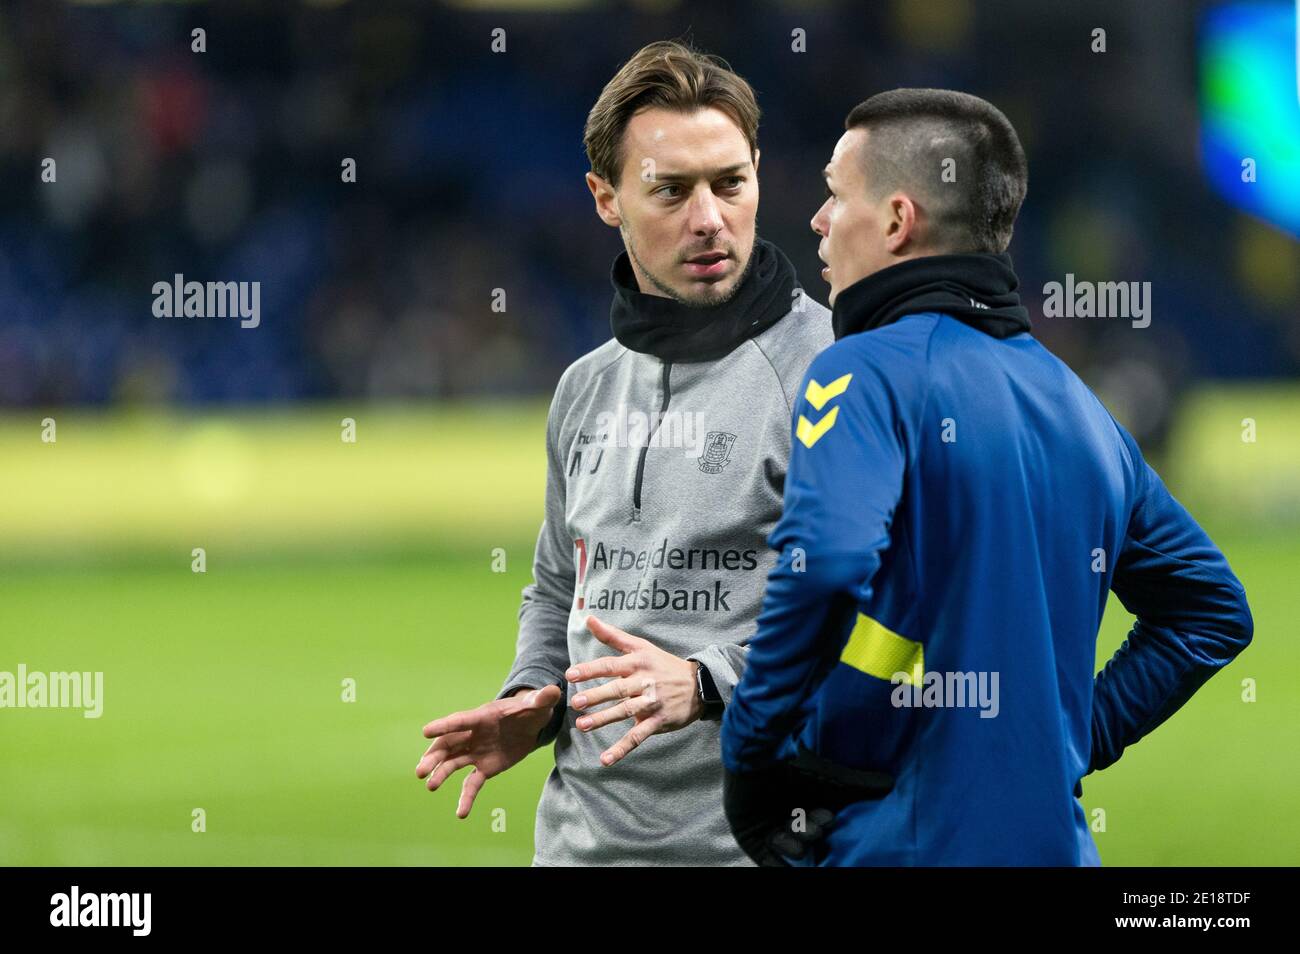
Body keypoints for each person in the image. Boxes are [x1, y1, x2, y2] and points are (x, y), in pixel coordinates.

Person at [720, 88, 1254, 866]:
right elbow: (1212, 611)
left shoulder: (861, 372)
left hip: (901, 846)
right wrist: (1069, 738)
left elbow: (827, 561)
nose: (818, 220)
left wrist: (751, 759)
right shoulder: (1084, 410)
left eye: (836, 196)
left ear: (899, 221)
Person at [416, 40, 832, 865]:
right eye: (671, 190)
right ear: (606, 198)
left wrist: (710, 680)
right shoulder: (584, 389)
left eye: (730, 183)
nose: (708, 218)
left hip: (756, 850)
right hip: (578, 848)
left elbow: (879, 611)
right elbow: (557, 585)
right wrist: (532, 698)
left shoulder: (832, 373)